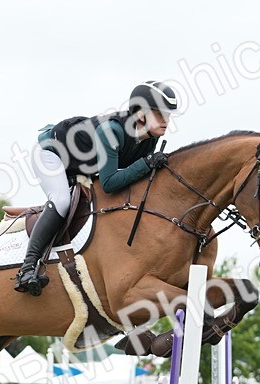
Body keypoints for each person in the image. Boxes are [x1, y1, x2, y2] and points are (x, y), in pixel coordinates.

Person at [13, 81, 179, 296]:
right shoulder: (112, 131)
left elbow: (132, 177)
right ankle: (27, 268)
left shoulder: (150, 138)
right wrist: (146, 163)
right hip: (51, 155)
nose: (166, 120)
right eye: (159, 114)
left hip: (83, 165)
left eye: (167, 115)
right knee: (61, 201)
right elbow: (109, 183)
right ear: (140, 114)